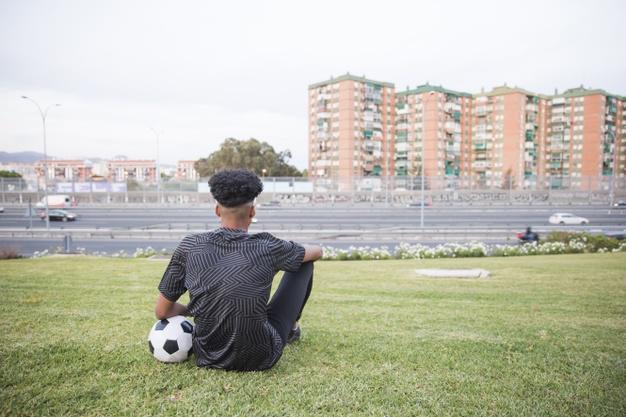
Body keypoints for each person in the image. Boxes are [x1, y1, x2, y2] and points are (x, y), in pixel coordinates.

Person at [154, 169, 322, 371]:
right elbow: (317, 252)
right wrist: (293, 252)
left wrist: (195, 307)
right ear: (252, 212)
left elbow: (162, 311)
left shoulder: (190, 246)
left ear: (217, 210)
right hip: (262, 356)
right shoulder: (267, 246)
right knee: (304, 262)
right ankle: (292, 328)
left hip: (208, 356)